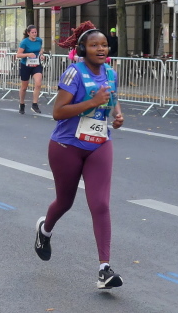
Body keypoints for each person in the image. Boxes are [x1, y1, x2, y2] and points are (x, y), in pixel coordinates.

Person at [34, 21, 125, 290]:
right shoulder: (73, 73)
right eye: (94, 45)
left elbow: (112, 98)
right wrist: (92, 102)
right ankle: (45, 229)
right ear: (83, 49)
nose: (101, 49)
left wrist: (118, 114)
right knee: (65, 201)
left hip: (99, 143)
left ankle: (104, 269)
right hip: (67, 145)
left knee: (101, 204)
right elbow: (58, 112)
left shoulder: (110, 72)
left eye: (104, 45)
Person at [16, 25, 44, 114]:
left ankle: (34, 104)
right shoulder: (24, 42)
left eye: (35, 32)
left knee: (38, 83)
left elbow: (40, 49)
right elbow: (18, 55)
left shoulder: (39, 40)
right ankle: (22, 103)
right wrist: (28, 54)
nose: (34, 34)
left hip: (36, 64)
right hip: (26, 65)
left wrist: (41, 54)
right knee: (24, 87)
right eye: (32, 32)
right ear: (28, 33)